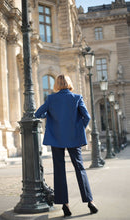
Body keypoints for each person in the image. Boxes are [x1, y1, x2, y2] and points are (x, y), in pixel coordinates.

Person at [35, 74, 98, 217]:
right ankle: (90, 201)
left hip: (56, 138)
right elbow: (86, 116)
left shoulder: (51, 99)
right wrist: (78, 129)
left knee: (59, 170)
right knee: (80, 168)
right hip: (74, 138)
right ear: (69, 83)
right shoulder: (76, 98)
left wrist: (49, 113)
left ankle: (65, 204)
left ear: (57, 84)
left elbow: (38, 113)